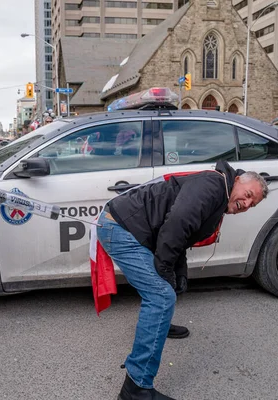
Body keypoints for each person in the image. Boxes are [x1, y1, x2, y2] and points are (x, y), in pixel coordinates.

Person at [96, 160, 268, 400]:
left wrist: (180, 274)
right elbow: (177, 225)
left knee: (168, 288)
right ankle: (135, 388)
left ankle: (159, 327)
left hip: (133, 228)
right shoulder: (213, 185)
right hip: (120, 229)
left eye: (252, 204)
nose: (246, 204)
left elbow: (182, 237)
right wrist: (167, 270)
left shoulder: (220, 193)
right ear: (238, 179)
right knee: (161, 296)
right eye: (248, 195)